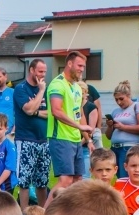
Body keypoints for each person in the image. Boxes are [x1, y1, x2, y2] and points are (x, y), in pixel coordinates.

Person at [46, 51, 93, 204]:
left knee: (78, 180)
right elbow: (56, 111)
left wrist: (88, 139)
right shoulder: (57, 84)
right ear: (69, 64)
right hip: (60, 138)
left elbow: (79, 114)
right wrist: (79, 125)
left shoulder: (77, 88)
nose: (82, 69)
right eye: (79, 65)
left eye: (84, 67)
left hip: (75, 139)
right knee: (65, 180)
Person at [13, 59, 50, 210]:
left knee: (42, 182)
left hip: (43, 140)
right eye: (40, 71)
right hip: (25, 139)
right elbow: (27, 109)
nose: (43, 75)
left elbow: (51, 113)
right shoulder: (21, 89)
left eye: (45, 72)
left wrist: (35, 112)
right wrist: (40, 91)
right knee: (25, 182)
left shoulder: (48, 90)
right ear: (32, 70)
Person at [106, 80, 139, 178]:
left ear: (129, 95)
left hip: (128, 147)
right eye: (116, 100)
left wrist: (123, 127)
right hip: (115, 147)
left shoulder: (136, 106)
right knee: (118, 177)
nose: (119, 102)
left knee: (125, 176)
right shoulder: (115, 111)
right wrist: (110, 126)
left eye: (121, 99)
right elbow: (108, 136)